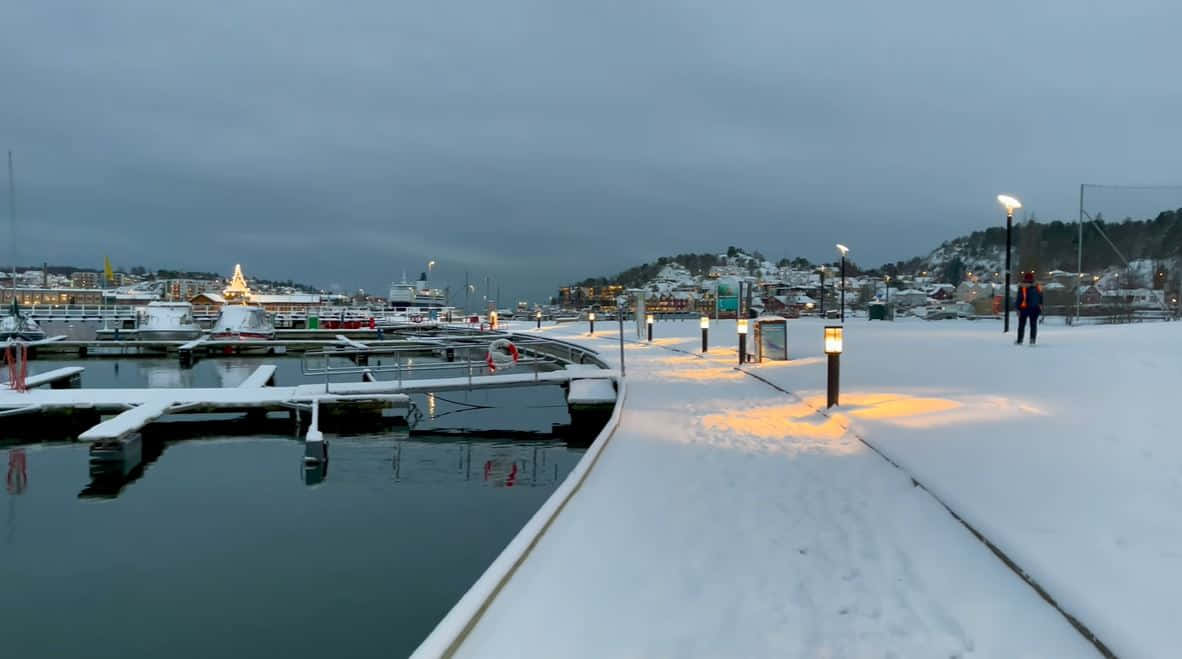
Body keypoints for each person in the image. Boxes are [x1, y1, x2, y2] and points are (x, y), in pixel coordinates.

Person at [1016, 272, 1043, 345]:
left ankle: (1020, 340)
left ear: (1024, 278)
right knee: (1033, 325)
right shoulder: (1037, 286)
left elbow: (1019, 298)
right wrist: (1040, 306)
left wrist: (1017, 308)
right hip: (1034, 308)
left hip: (1023, 308)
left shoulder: (1022, 287)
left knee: (1021, 325)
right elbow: (1041, 296)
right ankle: (1032, 340)